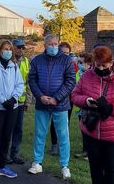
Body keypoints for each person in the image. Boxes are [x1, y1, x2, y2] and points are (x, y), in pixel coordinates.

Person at [71, 46, 114, 184]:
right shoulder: (87, 76)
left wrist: (112, 108)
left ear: (111, 62)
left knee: (110, 168)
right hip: (91, 129)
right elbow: (75, 95)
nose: (100, 69)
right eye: (97, 65)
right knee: (95, 167)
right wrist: (86, 101)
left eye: (104, 65)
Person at [27, 34, 76, 180]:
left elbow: (70, 81)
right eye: (51, 44)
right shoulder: (37, 60)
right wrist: (40, 96)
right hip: (42, 103)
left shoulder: (66, 60)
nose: (54, 46)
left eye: (56, 44)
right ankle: (37, 162)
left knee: (63, 136)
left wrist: (57, 98)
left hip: (60, 104)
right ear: (45, 45)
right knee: (40, 133)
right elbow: (32, 80)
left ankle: (64, 165)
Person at [0, 40, 24, 181]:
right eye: (5, 49)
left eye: (9, 49)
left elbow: (20, 84)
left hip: (12, 107)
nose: (7, 51)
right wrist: (3, 100)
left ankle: (2, 165)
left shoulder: (14, 66)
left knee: (6, 137)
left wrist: (13, 100)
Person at [48, 41, 76, 156]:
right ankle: (54, 144)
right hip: (55, 97)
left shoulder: (73, 64)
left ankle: (62, 145)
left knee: (65, 122)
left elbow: (73, 80)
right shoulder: (53, 63)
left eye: (67, 53)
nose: (65, 55)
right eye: (63, 52)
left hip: (68, 98)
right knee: (55, 122)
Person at [7, 38, 30, 165]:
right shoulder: (5, 61)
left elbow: (28, 82)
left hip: (20, 101)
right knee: (7, 128)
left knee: (18, 129)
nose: (21, 50)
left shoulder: (26, 61)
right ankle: (4, 154)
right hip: (8, 101)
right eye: (18, 47)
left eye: (22, 48)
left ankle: (15, 153)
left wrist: (28, 100)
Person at [73, 52, 93, 160]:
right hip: (80, 107)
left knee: (90, 130)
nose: (79, 64)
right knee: (83, 130)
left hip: (89, 106)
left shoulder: (92, 74)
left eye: (81, 62)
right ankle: (85, 151)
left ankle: (91, 153)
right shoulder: (79, 73)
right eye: (78, 62)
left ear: (89, 63)